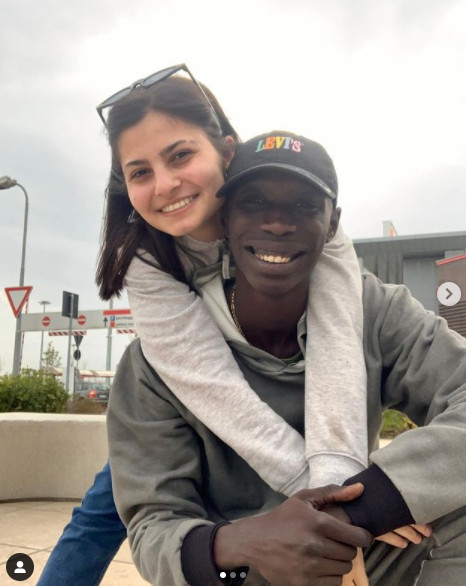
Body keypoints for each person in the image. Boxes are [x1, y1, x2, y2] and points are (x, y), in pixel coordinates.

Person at [38, 67, 367, 585]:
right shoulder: (147, 258)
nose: (165, 185)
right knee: (107, 507)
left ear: (227, 152)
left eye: (180, 156)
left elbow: (337, 351)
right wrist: (328, 507)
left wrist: (342, 486)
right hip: (190, 397)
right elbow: (210, 388)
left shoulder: (300, 219)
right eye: (139, 172)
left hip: (286, 389)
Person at [107, 131, 466, 586]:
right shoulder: (154, 363)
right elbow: (153, 526)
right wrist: (246, 542)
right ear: (225, 218)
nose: (277, 223)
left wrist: (369, 505)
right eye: (254, 202)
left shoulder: (377, 312)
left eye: (303, 205)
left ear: (332, 225)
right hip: (246, 570)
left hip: (362, 552)